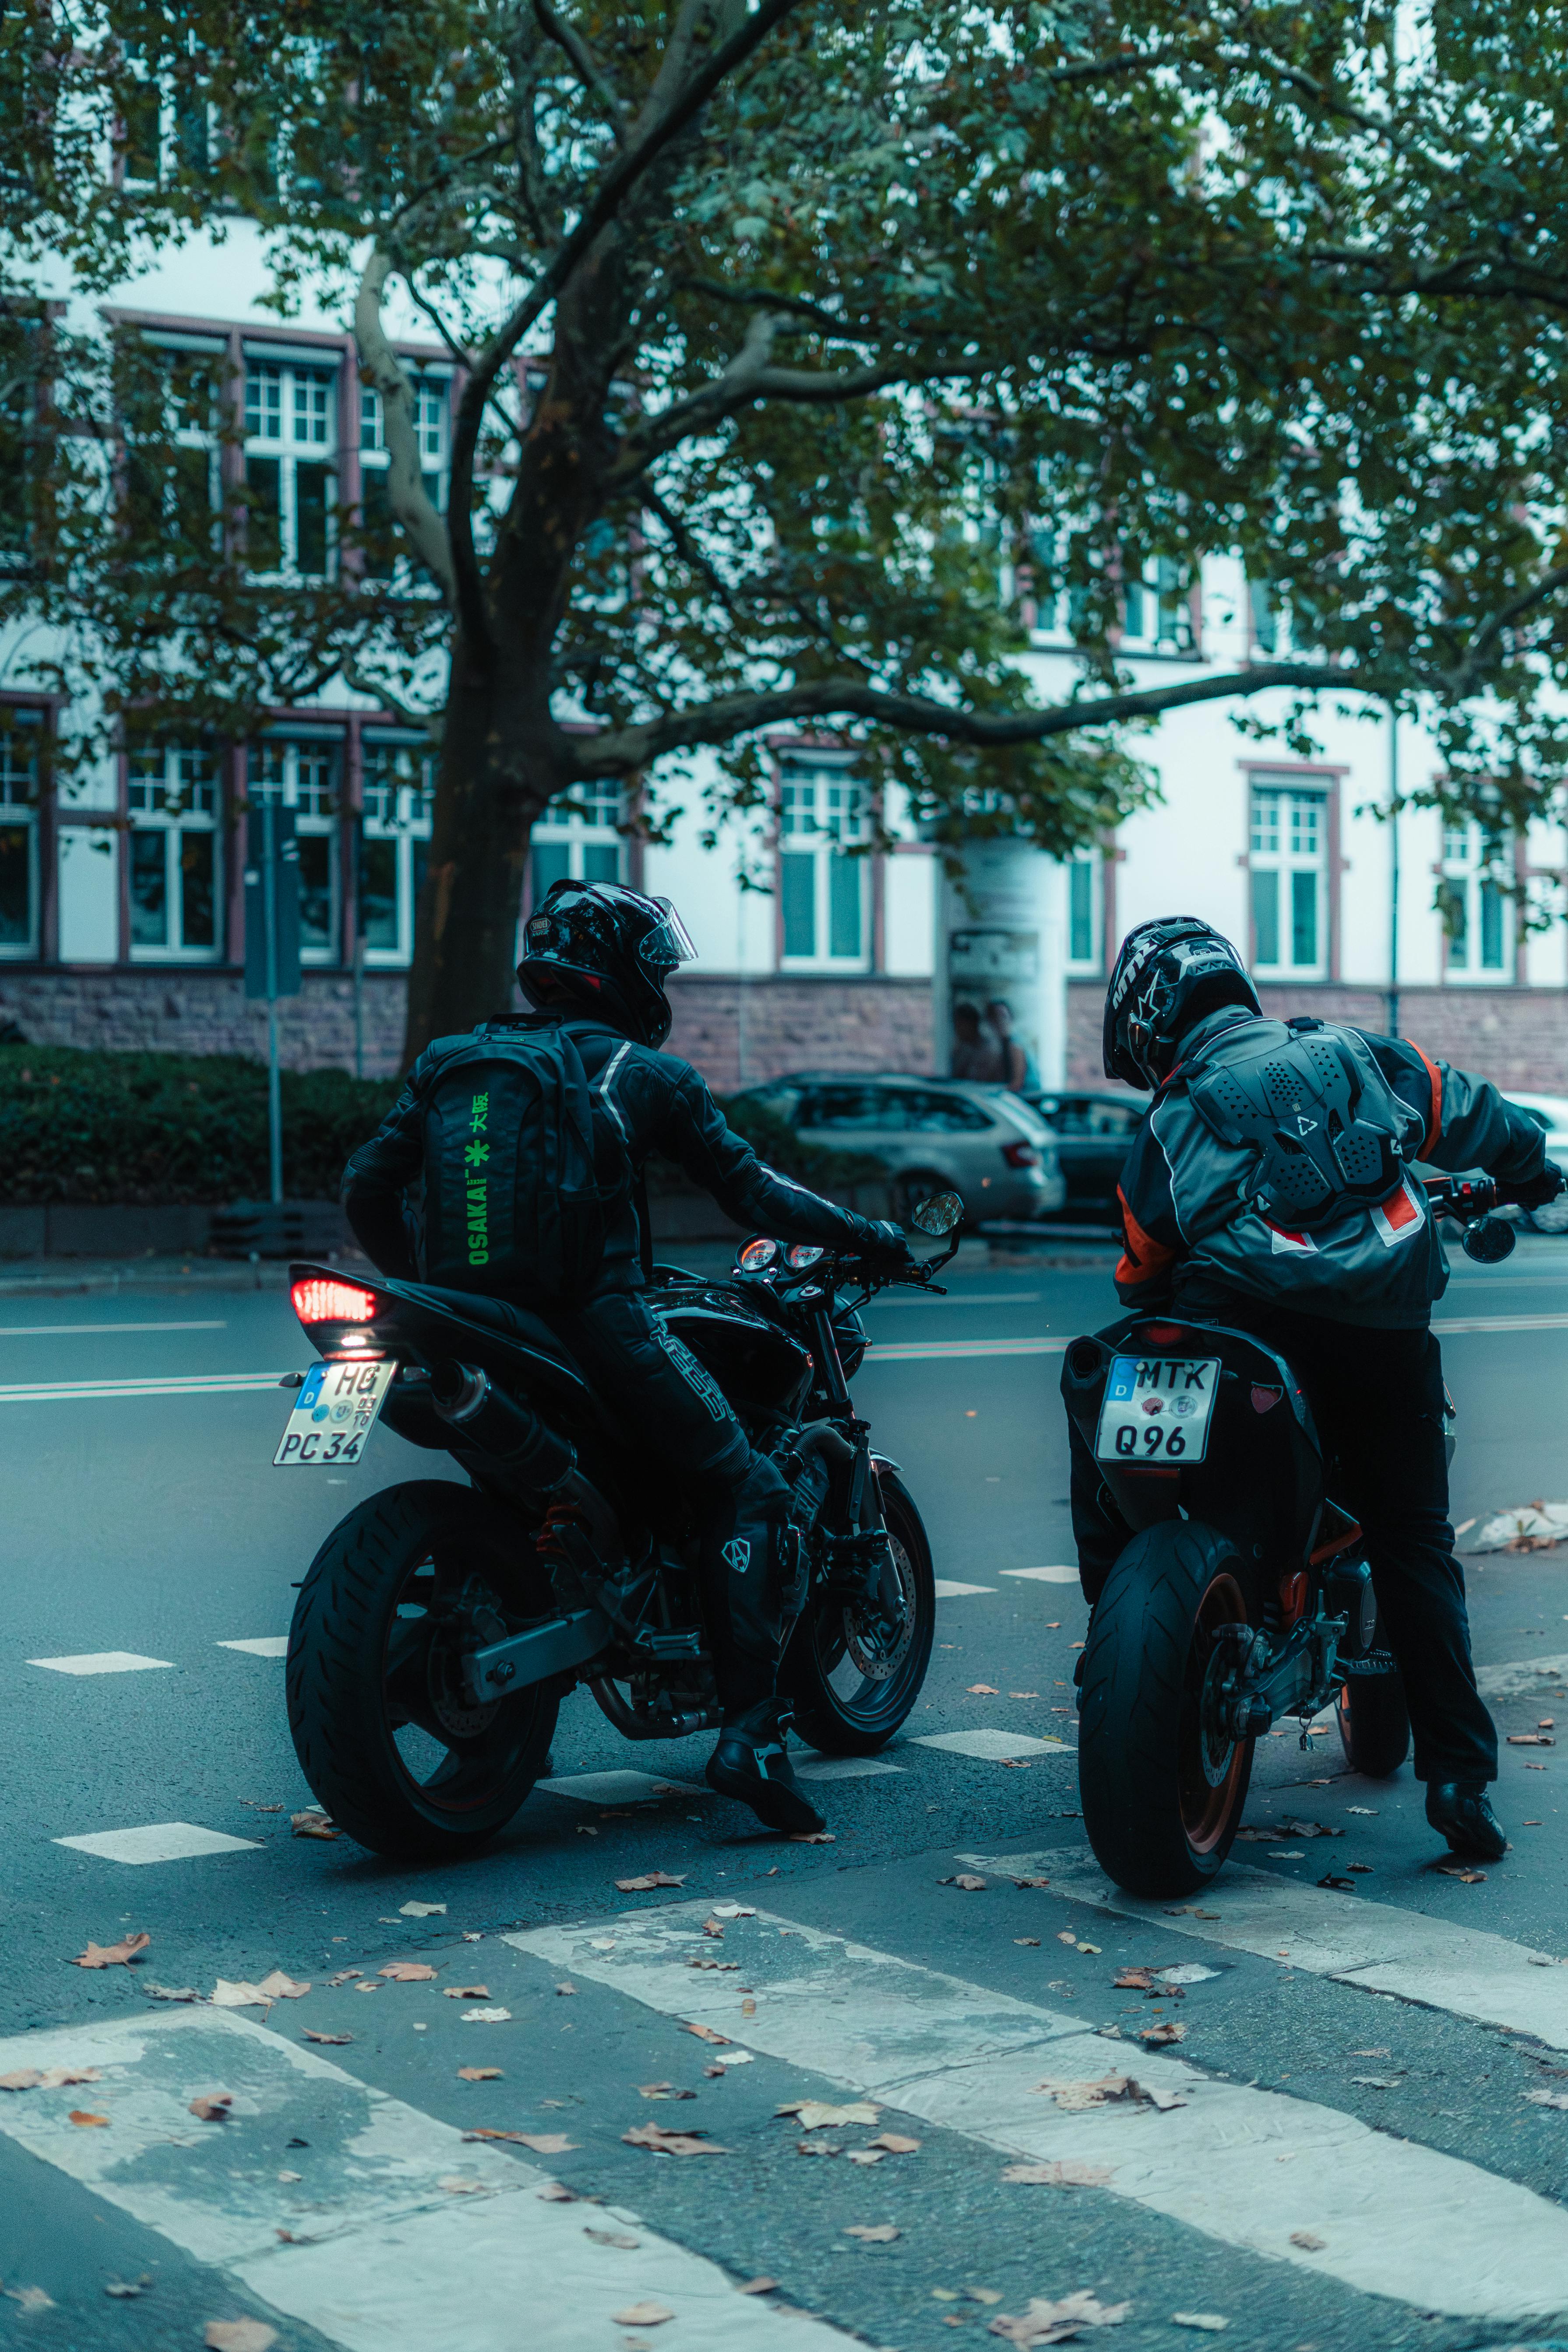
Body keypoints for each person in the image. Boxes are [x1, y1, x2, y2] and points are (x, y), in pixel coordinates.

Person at [340, 880, 914, 1840]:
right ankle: (753, 1736)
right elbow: (754, 1192)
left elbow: (367, 1187)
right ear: (621, 975)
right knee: (749, 1489)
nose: (662, 985)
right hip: (596, 1322)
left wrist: (430, 1294)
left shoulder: (454, 1060)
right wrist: (871, 1234)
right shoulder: (641, 1074)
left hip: (465, 1324)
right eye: (656, 967)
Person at [1078, 913, 1564, 1863]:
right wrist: (1525, 1165)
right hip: (1379, 1341)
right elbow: (1468, 1109)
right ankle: (1458, 1779)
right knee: (1412, 1541)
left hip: (1234, 1340)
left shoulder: (1171, 1115)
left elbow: (1137, 1265)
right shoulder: (1357, 1056)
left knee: (1109, 1409)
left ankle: (1115, 1654)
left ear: (1146, 1026)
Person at [986, 998, 1041, 1093]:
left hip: (1029, 1098)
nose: (1000, 1021)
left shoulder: (1015, 1044)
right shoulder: (1004, 1044)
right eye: (996, 1017)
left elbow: (1017, 1085)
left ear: (1011, 1017)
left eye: (1004, 1016)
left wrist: (991, 1091)